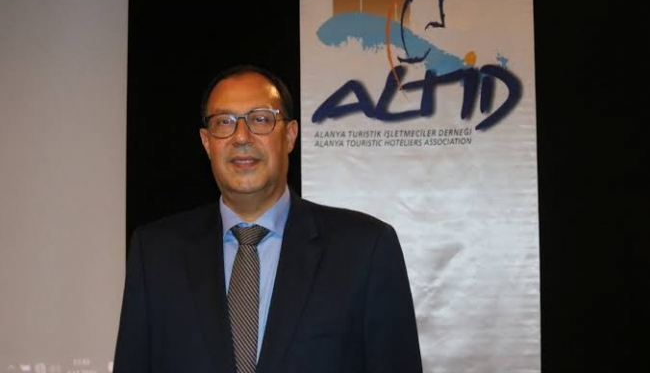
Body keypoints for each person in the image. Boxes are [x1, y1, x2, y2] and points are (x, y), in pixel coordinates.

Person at [113, 65, 423, 373]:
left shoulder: (364, 249)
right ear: (207, 142)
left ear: (290, 135)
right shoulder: (156, 253)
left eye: (260, 119)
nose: (241, 137)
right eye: (224, 122)